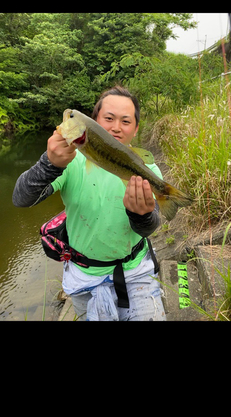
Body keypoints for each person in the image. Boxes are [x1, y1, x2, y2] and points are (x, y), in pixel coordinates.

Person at [12, 85, 166, 321]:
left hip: (137, 273)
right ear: (94, 122)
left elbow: (148, 228)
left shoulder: (148, 170)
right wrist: (49, 164)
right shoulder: (69, 162)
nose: (116, 127)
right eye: (108, 118)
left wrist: (142, 215)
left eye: (125, 121)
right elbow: (21, 199)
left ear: (135, 129)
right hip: (85, 277)